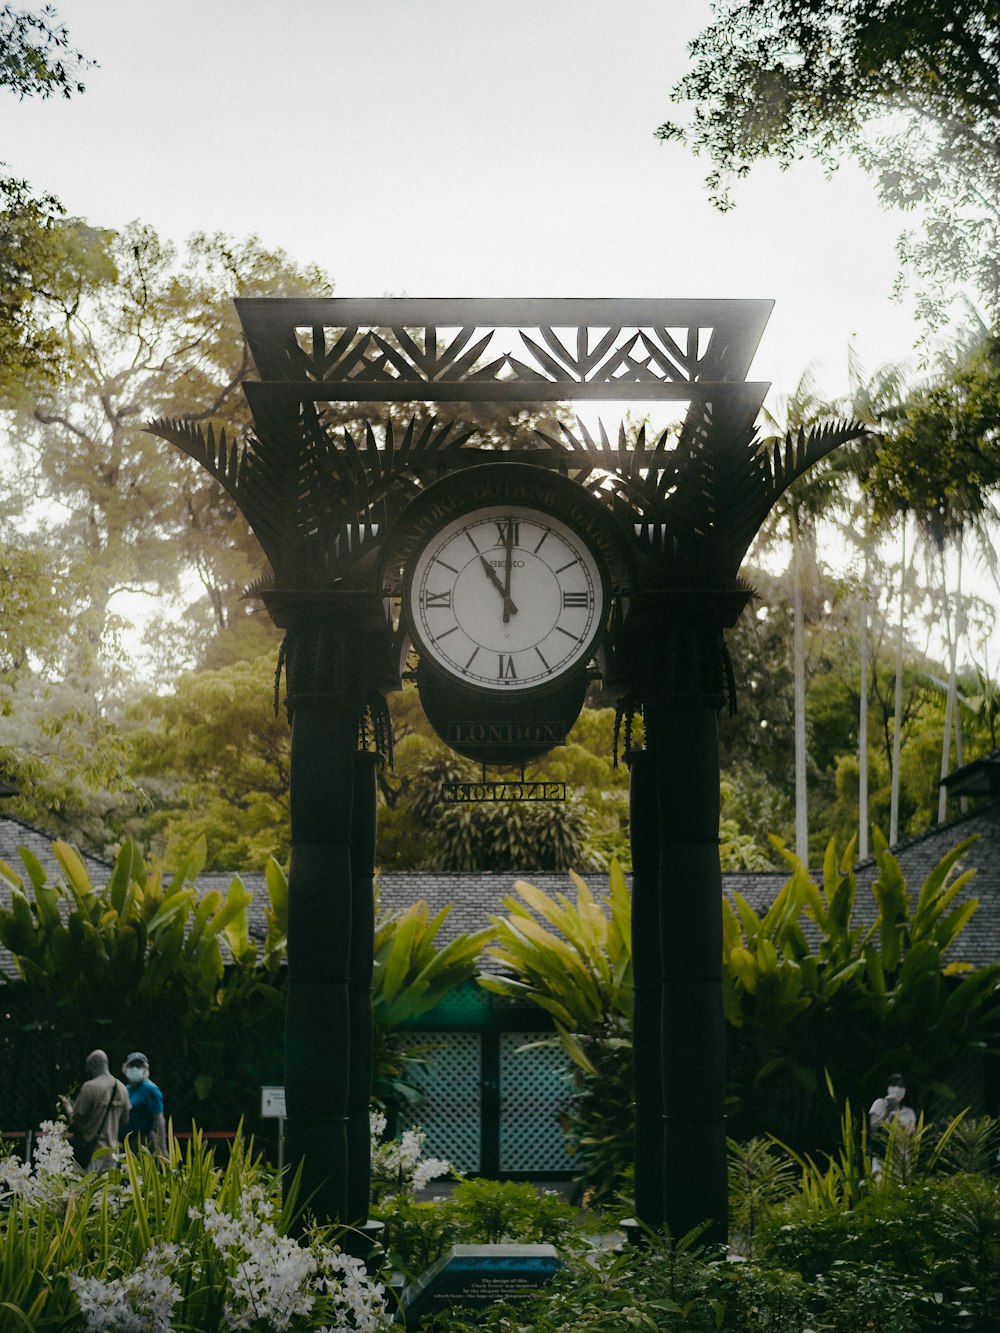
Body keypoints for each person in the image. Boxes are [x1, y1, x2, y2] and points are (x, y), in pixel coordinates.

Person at [65, 1049, 130, 1173]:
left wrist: (67, 1106)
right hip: (112, 1153)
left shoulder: (89, 1087)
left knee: (86, 1189)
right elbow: (125, 1121)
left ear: (93, 1064)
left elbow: (74, 1120)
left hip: (91, 1152)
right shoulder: (122, 1088)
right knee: (106, 1191)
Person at [121, 1051, 168, 1157]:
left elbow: (159, 1119)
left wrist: (163, 1149)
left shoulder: (150, 1089)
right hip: (127, 1142)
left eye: (138, 1066)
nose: (135, 1069)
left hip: (144, 1140)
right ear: (125, 1068)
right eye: (132, 1065)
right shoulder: (126, 1089)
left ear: (145, 1069)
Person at [869, 1074, 916, 1175]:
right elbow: (873, 1130)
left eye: (901, 1086)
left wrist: (898, 1122)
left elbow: (912, 1137)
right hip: (882, 1156)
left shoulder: (909, 1112)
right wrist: (887, 1111)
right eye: (894, 1085)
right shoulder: (879, 1104)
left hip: (901, 1160)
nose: (897, 1089)